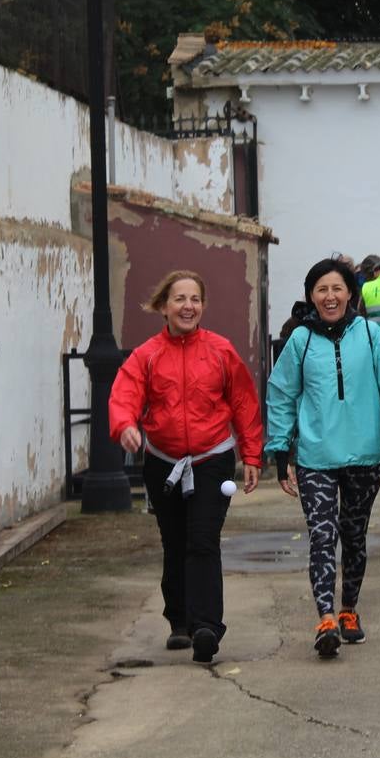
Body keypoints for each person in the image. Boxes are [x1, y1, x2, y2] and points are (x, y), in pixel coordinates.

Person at [265, 258, 380, 658]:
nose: (330, 296)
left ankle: (349, 609)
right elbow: (281, 395)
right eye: (321, 289)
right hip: (315, 456)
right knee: (322, 534)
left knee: (353, 535)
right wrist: (280, 451)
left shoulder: (370, 336)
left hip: (365, 455)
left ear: (350, 293)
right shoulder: (299, 341)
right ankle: (325, 618)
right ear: (311, 296)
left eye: (337, 288)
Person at [109, 270, 264, 664]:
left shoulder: (221, 351)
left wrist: (252, 454)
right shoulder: (146, 355)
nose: (188, 306)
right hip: (163, 464)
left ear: (203, 306)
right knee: (175, 541)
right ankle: (178, 619)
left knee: (202, 540)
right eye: (179, 299)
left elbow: (245, 403)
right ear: (164, 306)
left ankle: (206, 626)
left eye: (195, 299)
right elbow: (125, 393)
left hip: (212, 459)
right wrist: (125, 425)